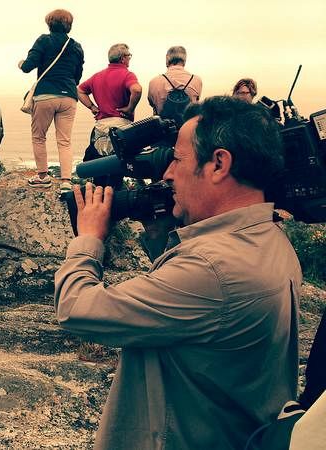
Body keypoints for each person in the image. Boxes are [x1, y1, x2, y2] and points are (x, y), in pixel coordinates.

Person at [54, 96, 300, 449]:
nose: (167, 173)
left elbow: (76, 308)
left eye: (178, 160)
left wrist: (89, 238)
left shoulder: (212, 268)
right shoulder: (271, 239)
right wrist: (160, 237)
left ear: (218, 164)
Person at [18, 8, 84, 192]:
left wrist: (21, 63)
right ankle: (65, 181)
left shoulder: (43, 40)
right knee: (65, 141)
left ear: (49, 23)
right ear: (69, 25)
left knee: (39, 137)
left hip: (46, 94)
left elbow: (28, 67)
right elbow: (78, 75)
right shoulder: (76, 46)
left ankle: (42, 177)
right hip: (69, 96)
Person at [77, 43, 142, 187]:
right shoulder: (127, 74)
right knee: (116, 170)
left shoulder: (97, 76)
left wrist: (92, 107)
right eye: (129, 56)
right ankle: (113, 202)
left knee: (100, 168)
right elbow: (136, 90)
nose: (129, 59)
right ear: (122, 58)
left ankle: (98, 199)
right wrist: (130, 108)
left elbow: (80, 90)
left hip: (101, 127)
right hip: (121, 127)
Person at [147, 46, 203, 116]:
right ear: (184, 61)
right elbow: (196, 103)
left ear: (167, 59)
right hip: (187, 124)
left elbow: (152, 103)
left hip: (163, 125)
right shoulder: (196, 80)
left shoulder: (154, 82)